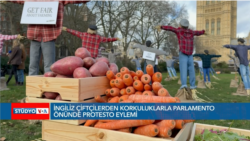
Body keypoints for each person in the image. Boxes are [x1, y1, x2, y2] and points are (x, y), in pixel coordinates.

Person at [1, 0, 91, 76]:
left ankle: (48, 90)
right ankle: (33, 89)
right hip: (35, 35)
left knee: (49, 65)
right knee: (33, 65)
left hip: (49, 35)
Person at [156, 19, 206, 96]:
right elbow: (198, 33)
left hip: (183, 53)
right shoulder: (191, 32)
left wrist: (161, 27)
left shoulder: (179, 31)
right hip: (190, 54)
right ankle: (192, 85)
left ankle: (184, 85)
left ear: (181, 25)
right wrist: (203, 31)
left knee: (183, 69)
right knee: (191, 69)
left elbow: (170, 28)